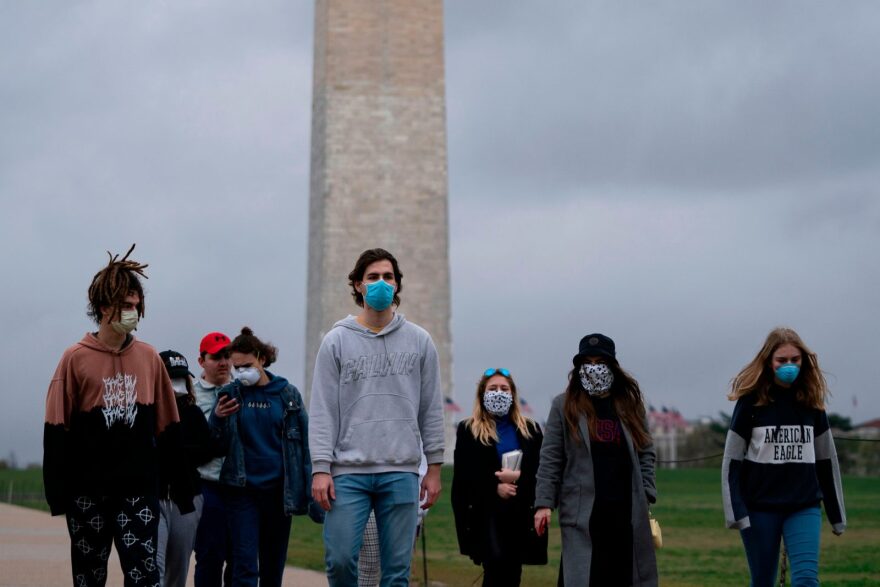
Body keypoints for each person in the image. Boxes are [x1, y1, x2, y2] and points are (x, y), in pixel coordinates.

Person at [43, 244, 194, 587]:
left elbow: (169, 426)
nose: (133, 313)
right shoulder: (74, 359)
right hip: (88, 491)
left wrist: (181, 490)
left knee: (144, 576)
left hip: (138, 489)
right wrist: (58, 493)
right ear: (103, 307)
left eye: (136, 306)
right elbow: (56, 428)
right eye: (126, 306)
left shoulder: (149, 358)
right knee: (88, 576)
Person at [310, 247, 445, 587]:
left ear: (398, 285)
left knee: (396, 573)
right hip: (347, 474)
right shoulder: (336, 341)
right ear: (357, 285)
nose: (381, 283)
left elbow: (431, 407)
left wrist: (435, 468)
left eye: (388, 277)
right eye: (372, 277)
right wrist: (321, 469)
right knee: (340, 562)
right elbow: (323, 409)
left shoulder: (420, 341)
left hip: (401, 471)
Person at [722, 327, 846, 587]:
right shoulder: (750, 403)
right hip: (759, 509)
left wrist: (836, 514)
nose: (789, 365)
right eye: (782, 360)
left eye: (794, 360)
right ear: (769, 362)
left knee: (806, 580)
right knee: (763, 581)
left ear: (803, 361)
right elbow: (732, 461)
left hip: (804, 506)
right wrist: (736, 512)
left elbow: (826, 461)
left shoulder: (812, 403)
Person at [534, 333, 658, 587]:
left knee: (625, 577)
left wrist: (646, 491)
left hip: (625, 512)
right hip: (583, 513)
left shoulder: (629, 404)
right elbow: (550, 458)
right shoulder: (563, 405)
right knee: (582, 577)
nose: (593, 368)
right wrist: (544, 503)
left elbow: (646, 450)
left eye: (599, 362)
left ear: (612, 366)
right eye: (587, 362)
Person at [210, 327, 322, 587]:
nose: (241, 373)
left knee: (273, 570)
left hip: (279, 496)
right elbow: (215, 444)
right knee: (244, 568)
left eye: (247, 365)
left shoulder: (287, 395)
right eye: (236, 368)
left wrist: (311, 489)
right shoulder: (231, 394)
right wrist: (217, 418)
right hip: (242, 493)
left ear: (261, 358)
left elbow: (305, 447)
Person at [452, 368, 547, 586]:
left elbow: (541, 470)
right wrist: (494, 487)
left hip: (520, 513)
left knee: (513, 574)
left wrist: (519, 478)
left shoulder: (530, 430)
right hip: (486, 514)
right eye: (493, 388)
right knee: (495, 570)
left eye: (504, 389)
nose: (498, 393)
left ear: (512, 394)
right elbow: (464, 476)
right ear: (482, 394)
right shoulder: (469, 429)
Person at [156, 350, 214, 587]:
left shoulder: (193, 413)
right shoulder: (147, 413)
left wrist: (178, 452)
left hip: (187, 500)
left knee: (177, 570)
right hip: (154, 497)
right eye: (171, 377)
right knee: (153, 567)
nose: (176, 384)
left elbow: (206, 450)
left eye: (180, 377)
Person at [192, 331, 235, 587]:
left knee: (241, 558)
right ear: (201, 361)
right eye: (216, 356)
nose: (223, 362)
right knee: (210, 555)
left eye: (227, 355)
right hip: (207, 485)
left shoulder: (243, 391)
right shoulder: (191, 395)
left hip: (240, 486)